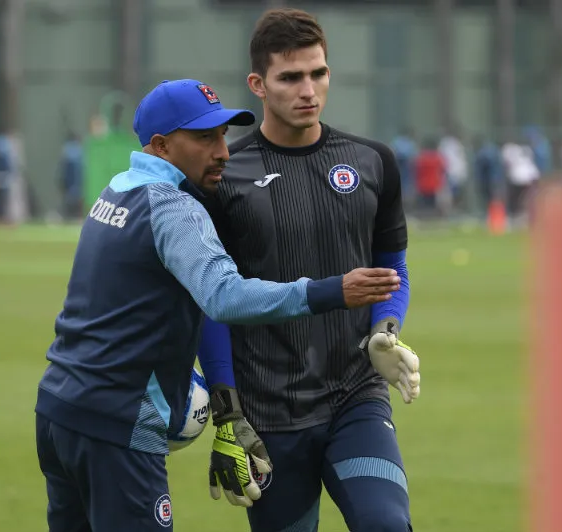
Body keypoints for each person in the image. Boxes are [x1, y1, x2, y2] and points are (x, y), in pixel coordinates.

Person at [33, 78, 401, 531]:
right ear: (162, 146)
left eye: (224, 135)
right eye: (205, 138)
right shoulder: (174, 208)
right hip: (117, 423)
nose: (223, 152)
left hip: (59, 409)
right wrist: (330, 291)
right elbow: (224, 296)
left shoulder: (117, 190)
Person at [197, 9, 421, 532]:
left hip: (356, 397)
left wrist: (385, 331)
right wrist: (227, 411)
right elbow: (210, 302)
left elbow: (392, 268)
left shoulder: (373, 162)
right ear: (258, 84)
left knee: (387, 524)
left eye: (318, 73)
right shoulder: (223, 178)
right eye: (290, 77)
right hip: (268, 413)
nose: (308, 90)